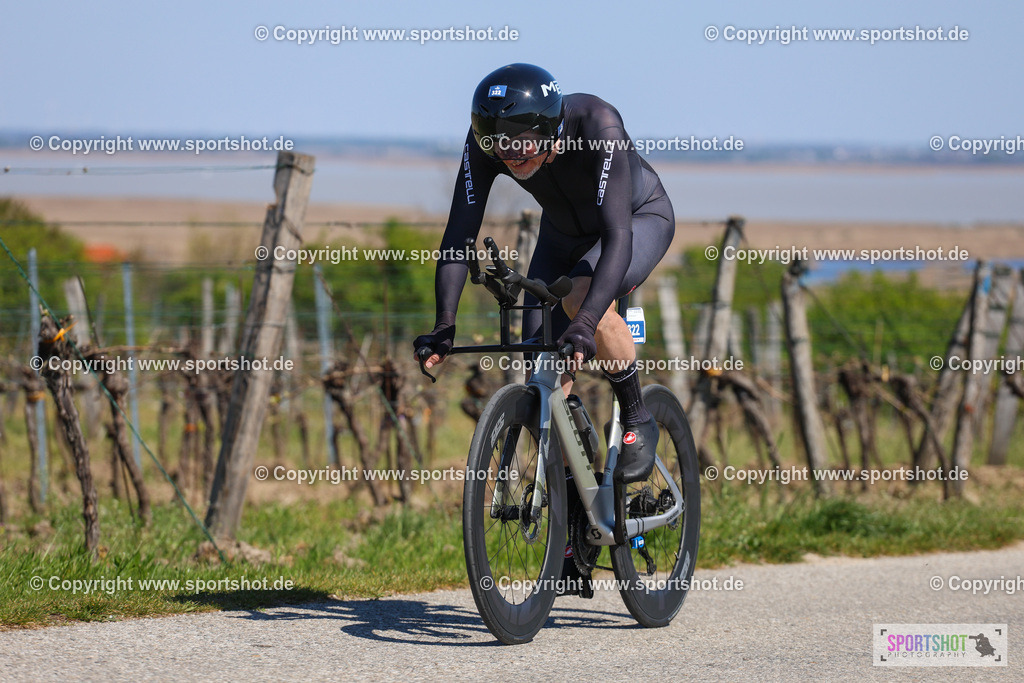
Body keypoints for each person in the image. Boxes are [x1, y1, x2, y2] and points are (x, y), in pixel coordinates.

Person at [413, 63, 675, 486]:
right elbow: (458, 235)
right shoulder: (490, 138)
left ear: (551, 128)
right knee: (541, 368)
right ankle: (575, 517)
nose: (509, 154)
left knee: (578, 302)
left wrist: (586, 322)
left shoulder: (597, 124)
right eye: (497, 144)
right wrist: (444, 324)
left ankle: (636, 413)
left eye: (521, 143)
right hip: (562, 236)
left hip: (635, 221)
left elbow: (616, 236)